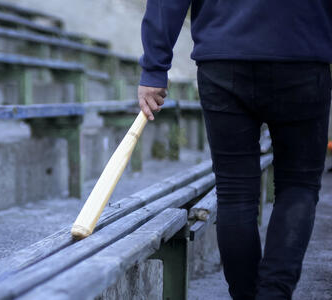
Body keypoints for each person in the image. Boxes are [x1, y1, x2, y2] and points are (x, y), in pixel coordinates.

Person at [137, 1, 332, 299]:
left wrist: (154, 67)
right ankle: (272, 294)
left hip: (224, 57)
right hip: (301, 54)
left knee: (235, 190)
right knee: (298, 186)